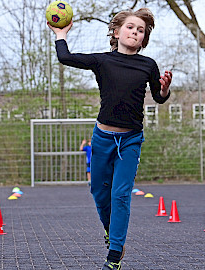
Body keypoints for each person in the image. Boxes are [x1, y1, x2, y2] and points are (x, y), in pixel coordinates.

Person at [48, 8, 172, 270]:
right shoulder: (102, 61)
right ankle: (109, 229)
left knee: (120, 194)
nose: (135, 32)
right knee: (98, 192)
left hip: (130, 140)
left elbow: (159, 98)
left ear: (143, 39)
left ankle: (114, 254)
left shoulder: (148, 65)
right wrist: (61, 34)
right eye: (130, 27)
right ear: (116, 33)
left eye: (140, 31)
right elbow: (65, 57)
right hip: (103, 137)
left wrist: (164, 90)